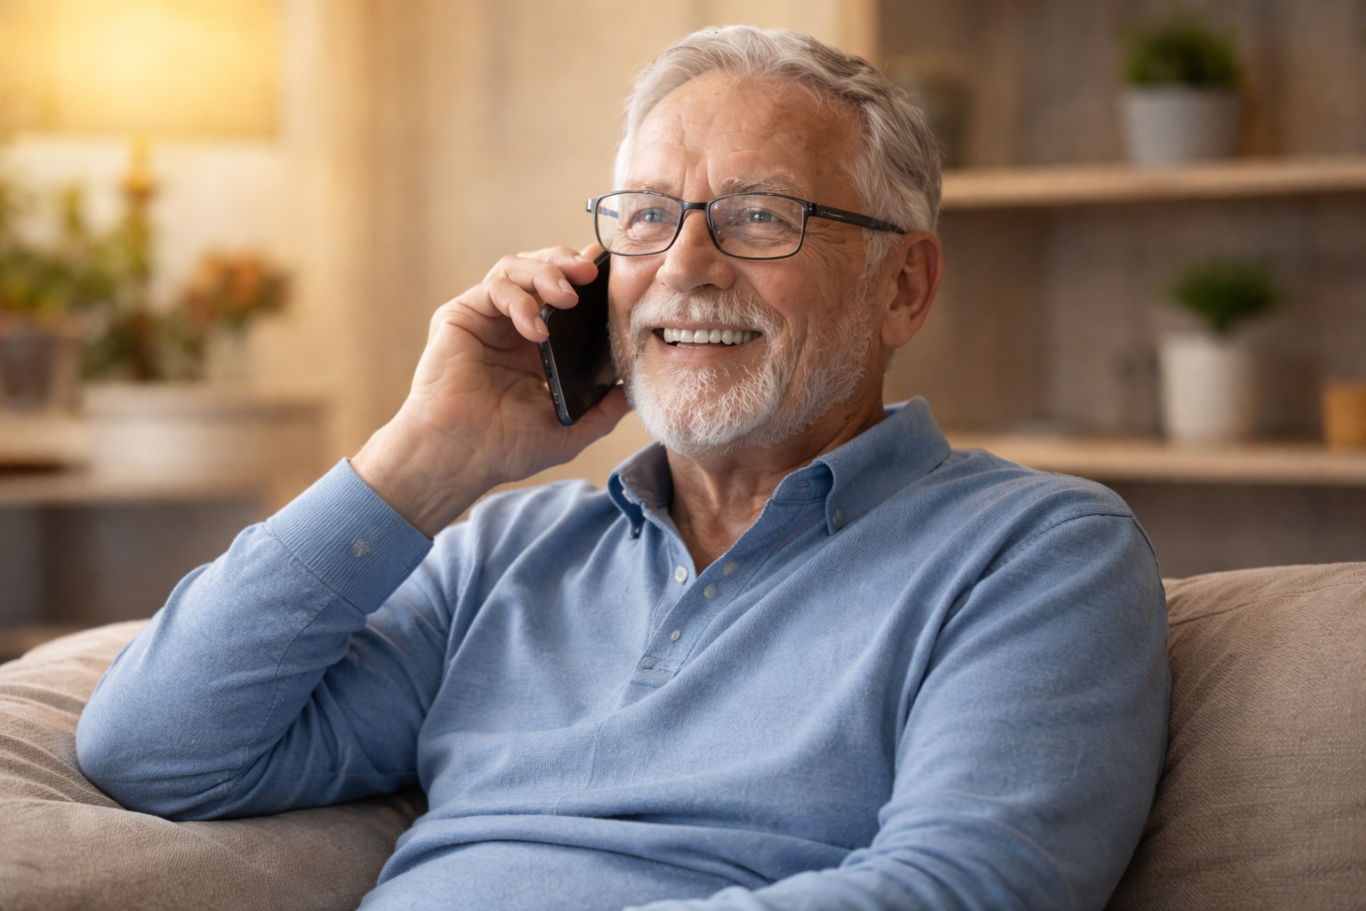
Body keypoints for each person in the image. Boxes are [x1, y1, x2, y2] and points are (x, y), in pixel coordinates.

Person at [77, 27, 1168, 911]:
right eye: (646, 216)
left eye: (758, 217)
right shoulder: (505, 550)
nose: (684, 267)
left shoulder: (1037, 549)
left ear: (902, 288)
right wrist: (424, 458)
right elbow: (156, 751)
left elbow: (970, 886)